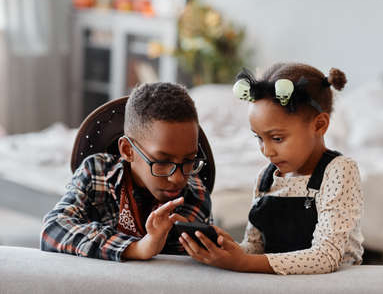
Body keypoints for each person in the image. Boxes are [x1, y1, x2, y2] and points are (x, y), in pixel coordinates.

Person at [179, 63, 364, 275]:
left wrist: (243, 263)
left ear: (319, 125)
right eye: (259, 138)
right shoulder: (266, 178)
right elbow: (255, 247)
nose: (266, 151)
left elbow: (326, 257)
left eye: (277, 138)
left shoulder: (339, 171)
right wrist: (228, 250)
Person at [41, 82, 213, 261]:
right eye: (162, 161)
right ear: (127, 150)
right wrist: (137, 248)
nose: (178, 178)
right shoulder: (96, 172)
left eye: (188, 161)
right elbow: (52, 229)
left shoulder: (195, 193)